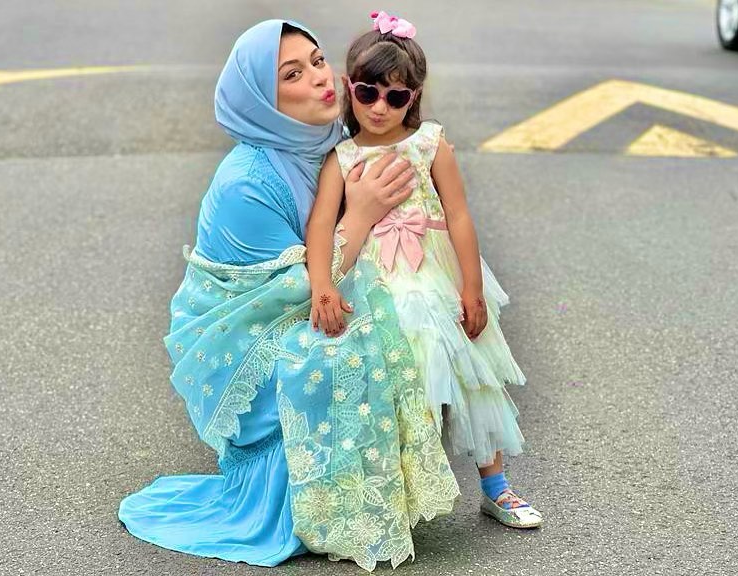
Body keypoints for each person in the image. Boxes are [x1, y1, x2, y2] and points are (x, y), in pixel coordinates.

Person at [118, 19, 458, 571]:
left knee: (406, 312)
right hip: (249, 343)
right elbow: (290, 292)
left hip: (309, 302)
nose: (321, 80)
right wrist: (366, 213)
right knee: (345, 352)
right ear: (263, 100)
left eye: (318, 62)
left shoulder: (327, 142)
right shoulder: (247, 183)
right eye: (291, 75)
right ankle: (321, 500)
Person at [305, 11, 543, 530]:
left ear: (413, 97)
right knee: (395, 381)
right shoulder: (341, 158)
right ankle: (404, 488)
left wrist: (473, 287)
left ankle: (495, 487)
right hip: (376, 281)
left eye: (396, 96)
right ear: (351, 89)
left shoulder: (431, 144)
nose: (380, 107)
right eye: (368, 93)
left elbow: (457, 215)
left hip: (434, 274)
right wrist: (322, 285)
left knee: (468, 373)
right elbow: (322, 227)